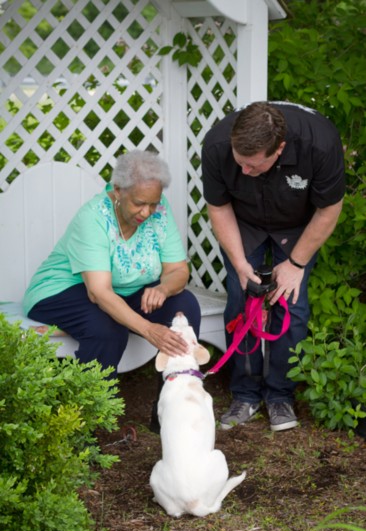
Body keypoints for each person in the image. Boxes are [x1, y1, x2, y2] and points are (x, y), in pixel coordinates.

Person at [201, 101, 345, 432]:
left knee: (292, 306)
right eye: (240, 164)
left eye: (253, 165)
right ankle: (245, 394)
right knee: (241, 301)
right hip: (243, 223)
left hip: (297, 227)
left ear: (279, 149)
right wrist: (239, 264)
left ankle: (280, 396)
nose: (245, 171)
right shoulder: (217, 145)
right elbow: (219, 207)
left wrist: (295, 263)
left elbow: (328, 210)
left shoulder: (319, 144)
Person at [23, 150, 201, 387]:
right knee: (106, 327)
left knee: (185, 306)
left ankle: (172, 404)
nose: (147, 212)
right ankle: (91, 414)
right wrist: (149, 330)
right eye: (139, 203)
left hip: (122, 292)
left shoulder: (160, 210)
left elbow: (178, 270)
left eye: (153, 204)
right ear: (118, 190)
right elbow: (98, 292)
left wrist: (164, 288)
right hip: (62, 290)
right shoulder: (93, 218)